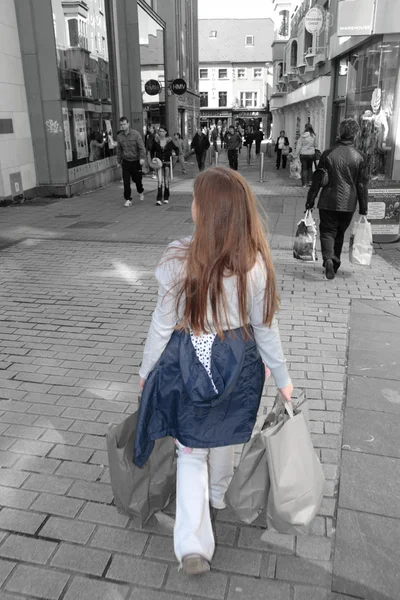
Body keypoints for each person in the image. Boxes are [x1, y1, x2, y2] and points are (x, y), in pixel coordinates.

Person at [137, 166, 292, 575]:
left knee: (190, 448)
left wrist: (146, 369)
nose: (191, 205)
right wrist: (283, 378)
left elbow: (162, 323)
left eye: (195, 201)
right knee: (224, 436)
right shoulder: (253, 264)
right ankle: (219, 496)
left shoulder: (177, 259)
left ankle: (192, 544)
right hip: (238, 364)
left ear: (207, 213)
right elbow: (265, 327)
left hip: (191, 363)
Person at [306, 118, 368, 280]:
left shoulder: (328, 154)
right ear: (355, 135)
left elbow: (317, 180)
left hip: (327, 200)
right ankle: (335, 261)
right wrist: (364, 207)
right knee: (340, 232)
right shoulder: (360, 157)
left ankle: (328, 259)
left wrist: (310, 201)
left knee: (327, 231)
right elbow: (361, 184)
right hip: (349, 203)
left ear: (340, 133)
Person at [117, 116, 146, 206]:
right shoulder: (119, 136)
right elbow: (119, 150)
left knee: (137, 180)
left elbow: (142, 148)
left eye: (124, 124)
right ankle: (128, 199)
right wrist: (118, 161)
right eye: (121, 125)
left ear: (128, 124)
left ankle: (140, 191)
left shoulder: (136, 134)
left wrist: (142, 158)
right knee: (126, 182)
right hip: (125, 161)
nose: (123, 126)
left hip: (135, 161)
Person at [151, 126, 177, 205]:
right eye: (159, 131)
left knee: (166, 180)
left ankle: (166, 197)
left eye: (162, 131)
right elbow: (152, 151)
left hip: (167, 163)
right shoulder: (156, 141)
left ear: (166, 132)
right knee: (159, 181)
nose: (160, 132)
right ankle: (158, 199)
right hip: (159, 163)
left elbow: (176, 149)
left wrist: (174, 153)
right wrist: (153, 158)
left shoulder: (169, 141)